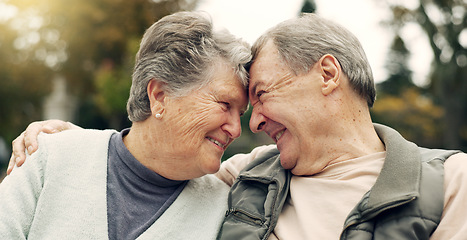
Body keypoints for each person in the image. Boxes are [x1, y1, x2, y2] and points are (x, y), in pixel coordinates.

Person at [8, 13, 467, 240]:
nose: (250, 122)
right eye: (232, 105)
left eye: (260, 95)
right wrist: (62, 141)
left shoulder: (449, 182)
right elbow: (145, 156)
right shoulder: (249, 176)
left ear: (328, 76)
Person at [0, 11, 251, 239]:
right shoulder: (48, 158)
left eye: (240, 114)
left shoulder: (227, 213)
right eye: (225, 104)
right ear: (160, 96)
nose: (236, 130)